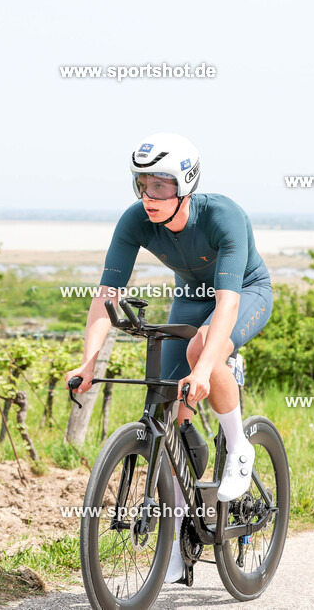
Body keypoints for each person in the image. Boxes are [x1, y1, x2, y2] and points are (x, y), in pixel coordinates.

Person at [64, 132, 273, 583]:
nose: (148, 196)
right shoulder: (135, 220)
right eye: (142, 184)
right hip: (188, 299)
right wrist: (88, 362)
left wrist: (203, 367)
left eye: (160, 185)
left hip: (244, 294)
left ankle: (238, 446)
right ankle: (180, 537)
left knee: (203, 350)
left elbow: (228, 304)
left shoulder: (223, 216)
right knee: (169, 411)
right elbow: (106, 297)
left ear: (186, 184)